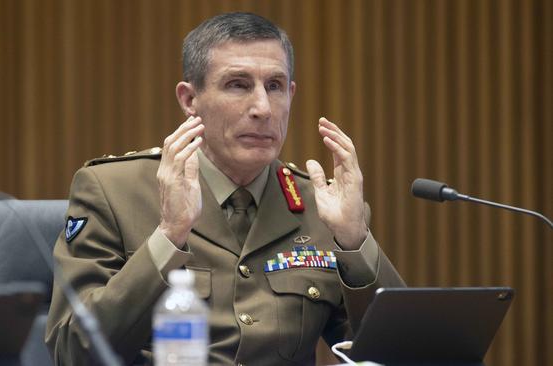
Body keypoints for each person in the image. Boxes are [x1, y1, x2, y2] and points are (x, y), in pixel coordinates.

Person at [46, 12, 405, 366]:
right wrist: (169, 237)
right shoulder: (114, 191)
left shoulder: (321, 205)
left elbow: (404, 350)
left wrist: (355, 241)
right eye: (238, 85)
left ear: (291, 95)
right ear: (190, 100)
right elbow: (72, 352)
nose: (263, 108)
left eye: (275, 86)